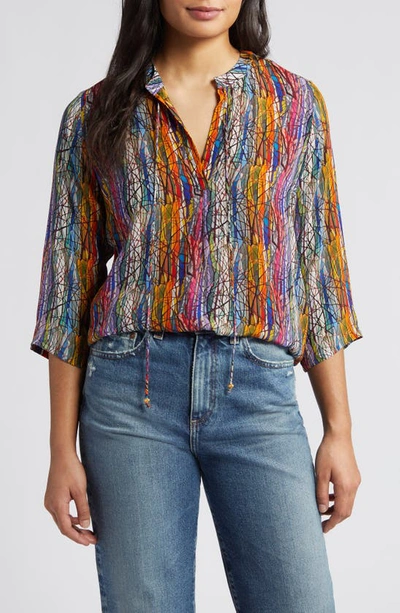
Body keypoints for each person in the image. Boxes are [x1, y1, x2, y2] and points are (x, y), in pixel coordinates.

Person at [30, 1, 363, 611]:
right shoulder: (94, 113)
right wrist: (60, 451)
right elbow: (65, 293)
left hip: (258, 394)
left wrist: (339, 431)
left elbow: (319, 273)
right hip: (130, 396)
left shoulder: (293, 104)